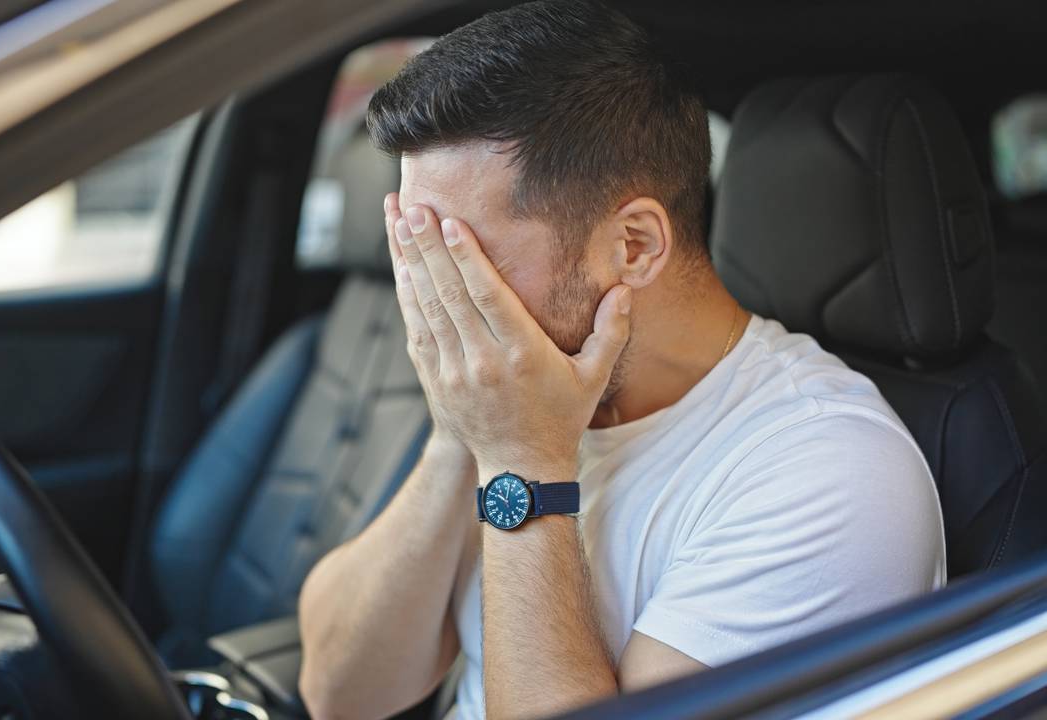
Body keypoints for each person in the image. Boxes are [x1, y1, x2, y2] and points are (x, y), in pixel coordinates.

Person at [297, 2, 946, 718]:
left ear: (634, 246)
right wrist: (462, 433)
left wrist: (524, 465)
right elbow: (338, 694)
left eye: (462, 251)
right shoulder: (516, 394)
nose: (435, 291)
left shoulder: (831, 473)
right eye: (418, 245)